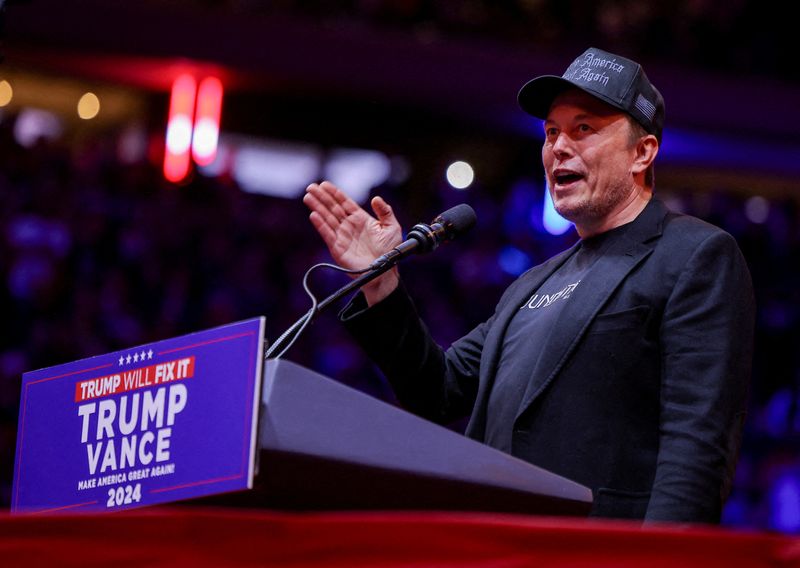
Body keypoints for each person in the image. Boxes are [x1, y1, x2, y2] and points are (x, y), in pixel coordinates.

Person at [302, 47, 755, 523]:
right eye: (552, 132)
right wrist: (382, 280)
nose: (559, 146)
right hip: (500, 548)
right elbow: (436, 391)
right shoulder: (530, 286)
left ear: (641, 152)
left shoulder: (694, 255)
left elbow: (697, 448)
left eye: (584, 128)